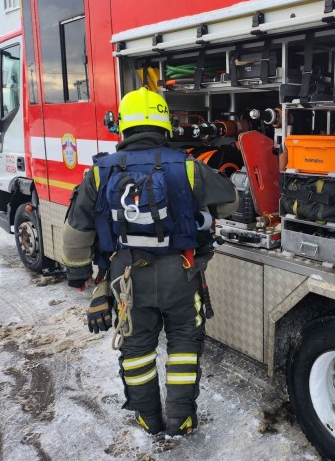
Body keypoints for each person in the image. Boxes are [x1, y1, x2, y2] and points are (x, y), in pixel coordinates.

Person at [61, 87, 238, 437]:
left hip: (127, 278)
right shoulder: (187, 166)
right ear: (164, 124)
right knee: (184, 344)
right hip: (180, 273)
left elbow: (76, 230)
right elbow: (229, 202)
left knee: (137, 349)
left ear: (123, 125)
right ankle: (180, 418)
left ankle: (148, 418)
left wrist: (78, 274)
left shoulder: (100, 171)